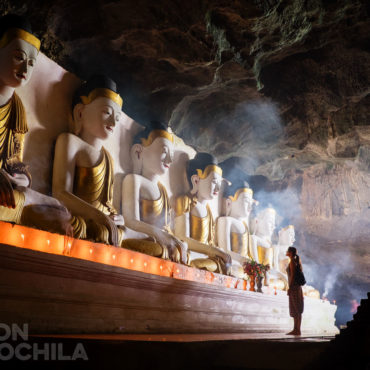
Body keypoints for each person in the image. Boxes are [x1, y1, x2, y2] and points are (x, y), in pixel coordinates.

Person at [0, 14, 71, 235]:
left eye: (31, 63)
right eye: (18, 57)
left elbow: (16, 164)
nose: (25, 68)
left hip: (8, 189)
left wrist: (14, 178)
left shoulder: (17, 108)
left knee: (59, 210)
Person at [286, 246, 304, 335]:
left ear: (290, 253)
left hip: (294, 287)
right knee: (295, 309)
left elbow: (292, 275)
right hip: (296, 287)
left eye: (287, 251)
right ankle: (295, 329)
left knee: (297, 309)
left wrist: (290, 287)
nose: (286, 252)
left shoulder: (293, 262)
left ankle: (297, 329)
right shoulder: (294, 262)